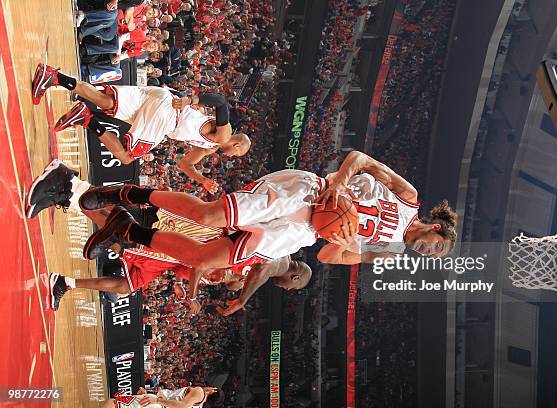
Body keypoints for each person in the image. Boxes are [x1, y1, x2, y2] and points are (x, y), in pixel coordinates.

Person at [79, 151, 457, 270]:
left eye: (434, 255)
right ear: (436, 228)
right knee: (210, 216)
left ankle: (127, 232)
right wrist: (340, 183)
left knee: (206, 258)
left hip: (305, 232)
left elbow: (327, 256)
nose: (429, 251)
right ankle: (129, 192)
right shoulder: (408, 197)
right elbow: (359, 158)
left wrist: (340, 239)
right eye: (436, 246)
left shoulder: (386, 251)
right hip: (312, 193)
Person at [26, 162, 312, 311]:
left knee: (125, 273)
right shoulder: (279, 257)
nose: (287, 290)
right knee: (123, 228)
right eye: (293, 288)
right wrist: (242, 298)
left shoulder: (272, 250)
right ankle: (68, 185)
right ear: (296, 277)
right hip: (191, 234)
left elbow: (216, 266)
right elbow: (262, 269)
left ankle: (64, 280)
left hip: (186, 250)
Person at [31, 65, 250, 191]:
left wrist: (202, 179)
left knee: (107, 102)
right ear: (237, 144)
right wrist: (191, 100)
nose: (232, 156)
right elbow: (220, 102)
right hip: (166, 117)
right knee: (126, 157)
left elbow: (185, 163)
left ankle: (53, 76)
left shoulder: (209, 147)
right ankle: (86, 119)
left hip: (163, 97)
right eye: (237, 153)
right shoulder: (224, 136)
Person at [101, 385, 218, 408]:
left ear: (213, 391)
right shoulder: (198, 405)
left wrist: (156, 399)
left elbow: (181, 405)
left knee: (112, 403)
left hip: (158, 405)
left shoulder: (200, 392)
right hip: (159, 404)